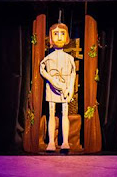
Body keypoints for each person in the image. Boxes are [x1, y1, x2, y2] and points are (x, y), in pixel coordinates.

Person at [39, 22, 76, 152]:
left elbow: (73, 74)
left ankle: (65, 142)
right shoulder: (49, 58)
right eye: (55, 34)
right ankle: (51, 142)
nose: (59, 37)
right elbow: (42, 69)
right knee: (51, 113)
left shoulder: (69, 58)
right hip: (52, 87)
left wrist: (70, 89)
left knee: (65, 113)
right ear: (50, 37)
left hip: (65, 88)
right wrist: (52, 80)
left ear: (67, 37)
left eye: (62, 33)